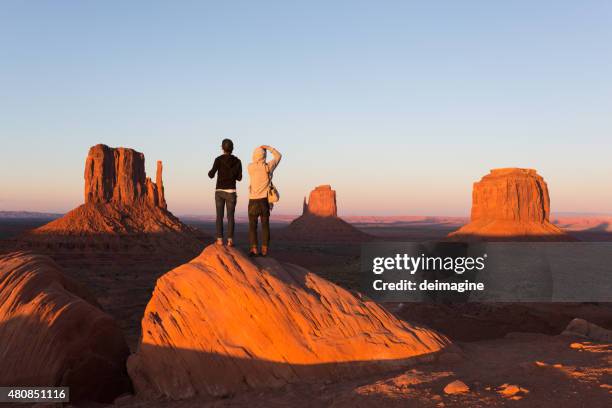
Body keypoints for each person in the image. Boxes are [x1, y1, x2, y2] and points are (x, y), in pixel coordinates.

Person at [247, 145, 282, 257]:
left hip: (252, 201)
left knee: (253, 226)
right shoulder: (268, 167)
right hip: (264, 201)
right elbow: (278, 156)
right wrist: (268, 148)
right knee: (265, 226)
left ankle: (254, 249)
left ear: (254, 156)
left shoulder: (250, 167)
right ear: (264, 156)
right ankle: (264, 250)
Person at [208, 139, 242, 246]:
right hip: (231, 191)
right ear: (232, 148)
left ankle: (219, 240)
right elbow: (239, 178)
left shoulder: (218, 160)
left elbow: (211, 174)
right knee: (230, 217)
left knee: (219, 216)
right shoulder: (237, 161)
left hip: (219, 191)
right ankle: (230, 241)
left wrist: (210, 172)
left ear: (222, 148)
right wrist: (232, 174)